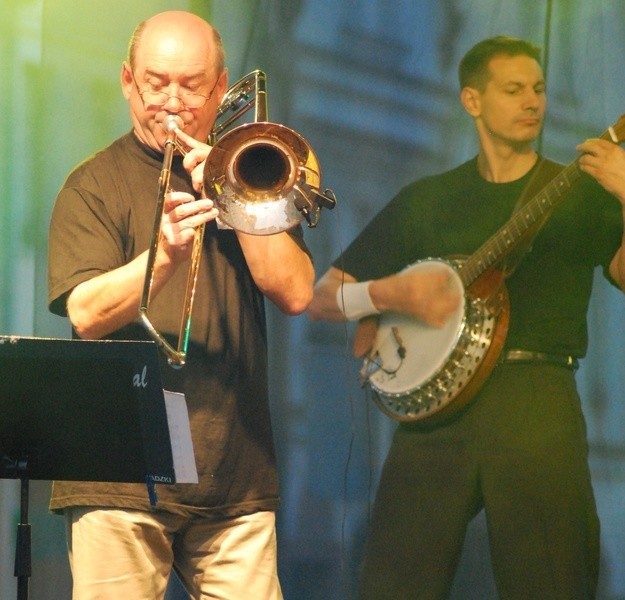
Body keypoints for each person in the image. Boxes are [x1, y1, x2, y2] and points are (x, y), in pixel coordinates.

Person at [308, 35, 625, 599]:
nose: (533, 101)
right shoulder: (428, 199)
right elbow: (323, 296)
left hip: (536, 400)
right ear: (472, 101)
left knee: (551, 581)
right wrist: (392, 294)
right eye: (513, 89)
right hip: (436, 415)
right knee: (393, 582)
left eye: (539, 89)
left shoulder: (579, 192)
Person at [47, 10, 315, 600]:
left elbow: (294, 291)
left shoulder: (256, 173)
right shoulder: (91, 185)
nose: (172, 100)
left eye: (192, 85)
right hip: (117, 475)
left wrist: (236, 196)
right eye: (155, 81)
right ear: (127, 81)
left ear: (221, 88)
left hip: (234, 475)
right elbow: (86, 313)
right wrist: (162, 257)